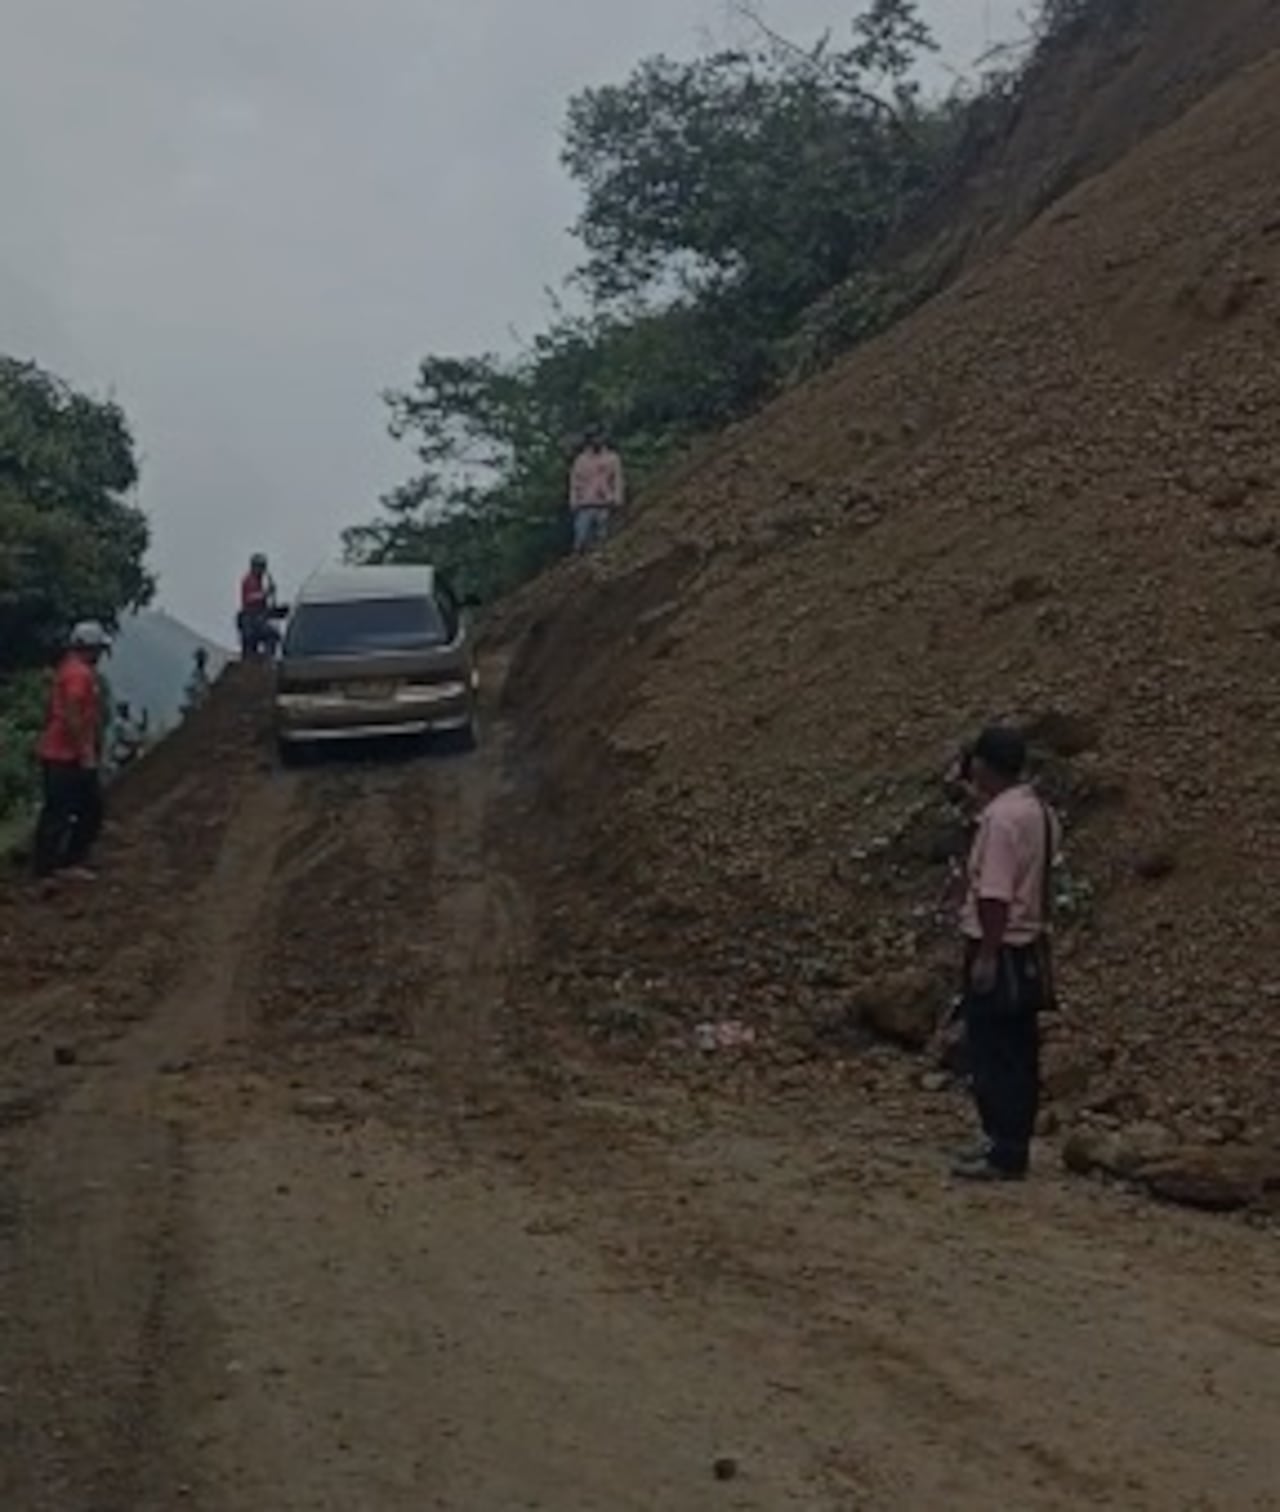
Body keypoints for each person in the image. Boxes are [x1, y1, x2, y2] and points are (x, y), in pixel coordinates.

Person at [953, 725, 1059, 1183]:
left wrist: (987, 955)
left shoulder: (1000, 820)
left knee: (991, 1050)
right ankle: (1011, 1141)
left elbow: (994, 895)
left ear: (982, 765)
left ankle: (1003, 1148)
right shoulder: (1039, 811)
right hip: (1030, 944)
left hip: (1001, 943)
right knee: (1019, 1050)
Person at [33, 621, 111, 883]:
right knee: (84, 809)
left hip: (56, 752)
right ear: (90, 648)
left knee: (60, 809)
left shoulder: (68, 668)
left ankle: (51, 864)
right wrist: (85, 751)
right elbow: (73, 714)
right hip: (66, 756)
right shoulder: (80, 674)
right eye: (98, 649)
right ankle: (60, 864)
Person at [568, 431, 625, 554]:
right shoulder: (581, 460)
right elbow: (574, 482)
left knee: (603, 537)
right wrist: (573, 500)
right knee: (582, 539)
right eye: (594, 438)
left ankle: (600, 561)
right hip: (585, 504)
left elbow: (617, 480)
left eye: (599, 437)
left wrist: (618, 498)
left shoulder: (612, 458)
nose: (597, 441)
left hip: (605, 503)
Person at [238, 553, 278, 656]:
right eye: (261, 567)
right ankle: (266, 658)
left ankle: (266, 657)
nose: (263, 570)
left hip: (258, 618)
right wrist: (266, 593)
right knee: (272, 635)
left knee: (272, 635)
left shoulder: (259, 581)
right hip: (251, 620)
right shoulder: (249, 580)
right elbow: (250, 598)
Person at [184, 646, 212, 714]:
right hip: (195, 704)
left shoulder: (199, 674)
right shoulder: (201, 674)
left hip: (195, 707)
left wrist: (189, 689)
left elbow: (198, 690)